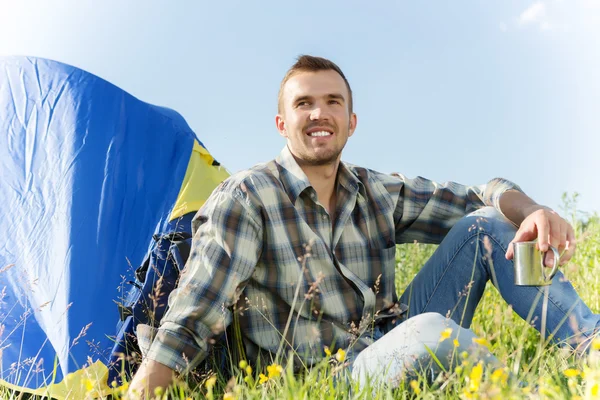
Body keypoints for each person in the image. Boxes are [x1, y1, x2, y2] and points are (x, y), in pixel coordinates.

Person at [127, 55, 598, 397]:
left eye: (332, 102)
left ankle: (590, 348)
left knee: (489, 224)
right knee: (430, 332)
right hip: (323, 379)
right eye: (303, 103)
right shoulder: (247, 197)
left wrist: (535, 210)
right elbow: (194, 312)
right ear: (281, 123)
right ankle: (535, 394)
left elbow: (480, 196)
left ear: (350, 122)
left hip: (391, 337)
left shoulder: (374, 190)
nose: (318, 113)